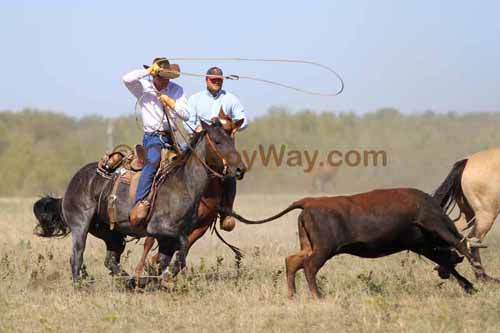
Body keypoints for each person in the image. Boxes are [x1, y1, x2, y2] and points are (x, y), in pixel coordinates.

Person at [123, 57, 189, 225]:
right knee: (152, 162)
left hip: (171, 137)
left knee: (189, 164)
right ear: (154, 75)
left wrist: (171, 103)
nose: (163, 80)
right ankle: (139, 202)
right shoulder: (143, 87)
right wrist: (146, 71)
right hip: (152, 137)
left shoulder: (177, 90)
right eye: (159, 76)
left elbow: (186, 114)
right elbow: (126, 79)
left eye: (166, 77)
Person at [186, 66, 248, 231]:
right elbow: (188, 122)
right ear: (206, 80)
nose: (217, 83)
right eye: (213, 80)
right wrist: (198, 129)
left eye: (219, 80)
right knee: (178, 164)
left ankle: (226, 212)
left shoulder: (230, 99)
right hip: (198, 143)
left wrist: (234, 128)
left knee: (231, 172)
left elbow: (243, 119)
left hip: (222, 146)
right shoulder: (195, 99)